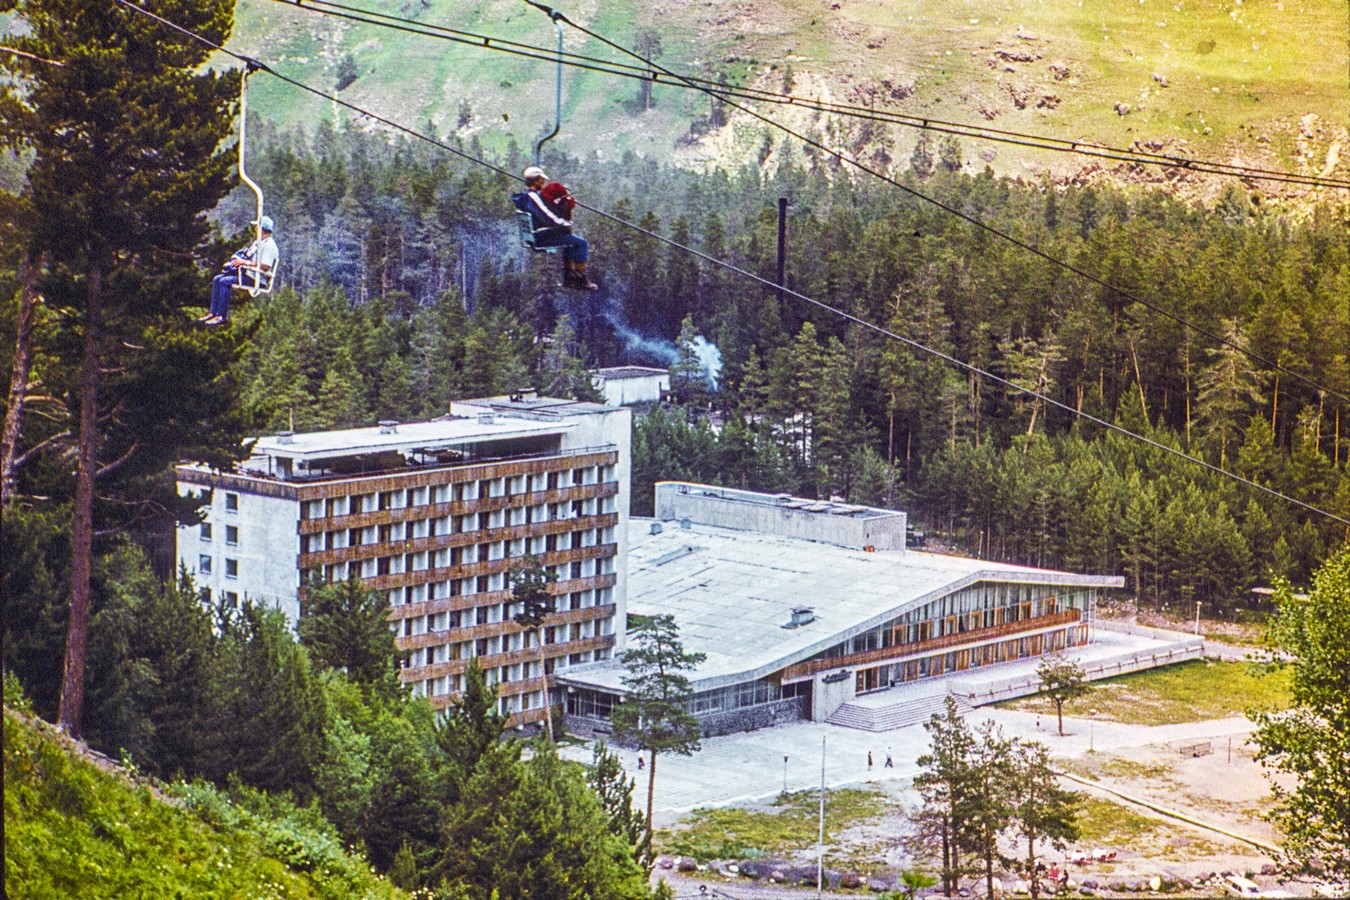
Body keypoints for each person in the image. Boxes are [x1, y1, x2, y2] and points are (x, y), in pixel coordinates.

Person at [513, 165, 598, 291]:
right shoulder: (533, 196)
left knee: (569, 241)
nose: (544, 182)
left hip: (534, 235)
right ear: (536, 180)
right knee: (582, 243)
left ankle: (570, 277)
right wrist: (564, 223)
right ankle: (581, 279)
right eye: (542, 180)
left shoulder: (524, 197)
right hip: (540, 236)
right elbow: (545, 214)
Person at [204, 215, 278, 326]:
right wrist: (237, 260)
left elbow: (265, 266)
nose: (255, 229)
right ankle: (214, 312)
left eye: (257, 227)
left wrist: (245, 263)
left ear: (261, 228)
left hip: (255, 278)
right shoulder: (258, 242)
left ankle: (222, 316)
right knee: (218, 279)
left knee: (225, 282)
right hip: (247, 273)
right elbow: (248, 255)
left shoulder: (269, 245)